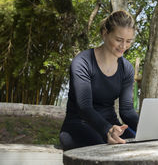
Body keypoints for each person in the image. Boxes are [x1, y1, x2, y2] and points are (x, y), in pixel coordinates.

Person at [59, 10, 139, 151]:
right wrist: (107, 129)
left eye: (128, 41)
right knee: (103, 150)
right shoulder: (83, 62)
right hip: (78, 125)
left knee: (140, 146)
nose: (123, 46)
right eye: (119, 40)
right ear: (104, 33)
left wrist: (150, 130)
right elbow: (85, 107)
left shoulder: (126, 68)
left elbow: (127, 111)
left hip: (112, 125)